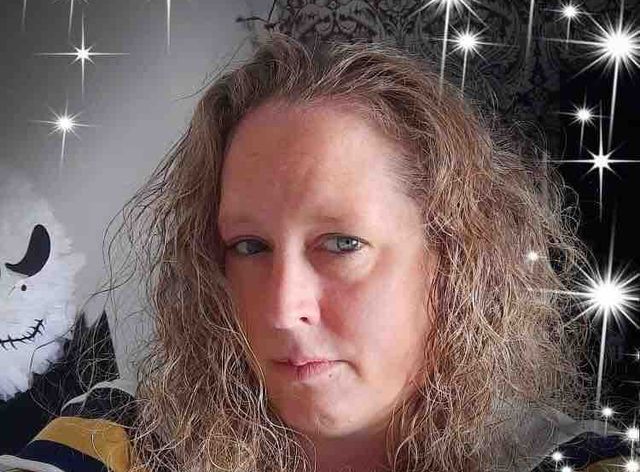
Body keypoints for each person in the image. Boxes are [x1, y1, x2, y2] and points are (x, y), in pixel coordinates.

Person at [0, 32, 631, 472]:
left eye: (342, 243)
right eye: (249, 246)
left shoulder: (573, 460)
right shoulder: (121, 436)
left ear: (452, 259)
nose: (281, 309)